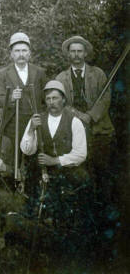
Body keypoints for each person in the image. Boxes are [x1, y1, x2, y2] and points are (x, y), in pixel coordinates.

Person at [20, 80, 90, 250]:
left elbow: (81, 154)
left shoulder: (74, 121)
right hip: (41, 174)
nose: (52, 102)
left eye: (55, 98)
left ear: (63, 99)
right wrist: (30, 130)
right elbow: (27, 150)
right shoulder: (37, 120)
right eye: (48, 99)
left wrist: (56, 161)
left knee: (71, 213)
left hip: (67, 173)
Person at [55, 36, 114, 205]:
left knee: (102, 171)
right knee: (81, 173)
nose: (76, 55)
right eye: (72, 51)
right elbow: (61, 102)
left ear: (85, 53)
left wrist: (91, 116)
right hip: (75, 132)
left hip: (100, 130)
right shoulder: (61, 78)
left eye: (79, 51)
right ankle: (84, 209)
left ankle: (104, 207)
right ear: (68, 54)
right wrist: (79, 116)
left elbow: (106, 98)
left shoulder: (98, 74)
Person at [0, 32, 48, 146]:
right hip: (12, 125)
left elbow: (46, 99)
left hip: (35, 123)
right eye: (17, 51)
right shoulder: (3, 74)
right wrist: (11, 98)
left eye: (24, 50)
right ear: (11, 54)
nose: (21, 54)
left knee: (34, 157)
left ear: (29, 53)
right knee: (14, 159)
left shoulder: (39, 72)